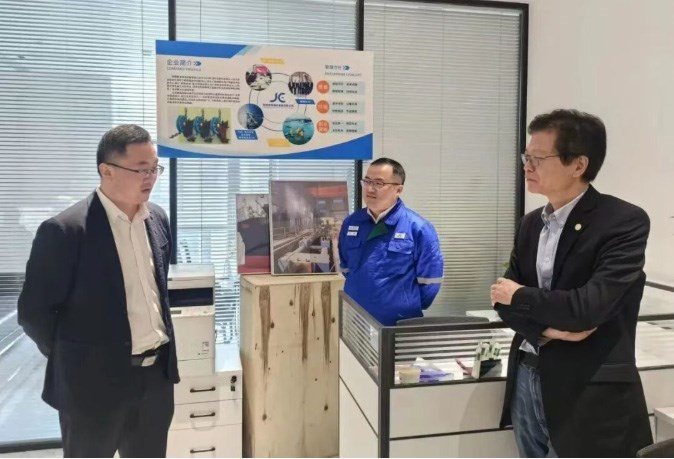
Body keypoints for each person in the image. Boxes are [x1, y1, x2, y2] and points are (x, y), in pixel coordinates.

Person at [490, 109, 652, 457]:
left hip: (588, 388)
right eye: (526, 157)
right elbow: (503, 302)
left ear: (578, 164)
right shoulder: (531, 224)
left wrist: (521, 296)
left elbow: (586, 309)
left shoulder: (622, 222)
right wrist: (552, 330)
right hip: (527, 375)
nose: (527, 166)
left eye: (538, 158)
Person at [18, 124, 179, 457]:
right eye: (141, 169)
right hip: (91, 385)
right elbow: (34, 314)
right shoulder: (65, 230)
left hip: (155, 382)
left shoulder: (158, 219)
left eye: (155, 169)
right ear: (107, 171)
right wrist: (78, 357)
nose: (151, 177)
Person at [338, 157, 444, 325]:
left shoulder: (418, 228)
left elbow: (430, 281)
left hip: (399, 322)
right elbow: (346, 267)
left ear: (398, 189)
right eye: (367, 181)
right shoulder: (351, 222)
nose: (370, 188)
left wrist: (403, 305)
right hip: (357, 318)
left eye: (379, 183)